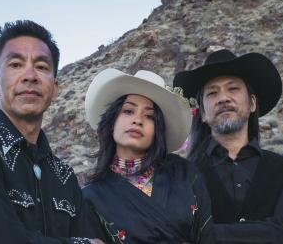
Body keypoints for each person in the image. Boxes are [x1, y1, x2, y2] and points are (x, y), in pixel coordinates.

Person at [0, 20, 105, 244]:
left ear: (54, 89)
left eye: (42, 67)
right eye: (15, 64)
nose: (30, 75)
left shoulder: (64, 176)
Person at [173, 49, 283, 244]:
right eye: (213, 93)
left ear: (252, 103)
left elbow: (282, 233)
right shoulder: (182, 175)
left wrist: (206, 235)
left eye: (233, 89)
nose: (223, 98)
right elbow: (180, 232)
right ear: (203, 114)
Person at [82, 68, 214, 243]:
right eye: (128, 111)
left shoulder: (185, 173)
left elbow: (207, 236)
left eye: (149, 116)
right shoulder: (91, 197)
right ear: (112, 121)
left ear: (157, 130)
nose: (137, 120)